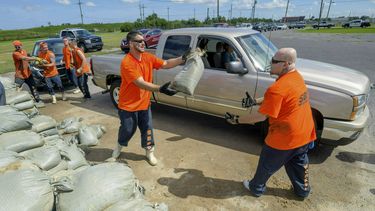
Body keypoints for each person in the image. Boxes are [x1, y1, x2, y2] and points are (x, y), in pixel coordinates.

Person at [225, 48, 316, 198]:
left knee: (267, 164)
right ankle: (303, 191)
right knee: (299, 164)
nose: (270, 63)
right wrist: (255, 101)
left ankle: (256, 188)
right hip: (304, 133)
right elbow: (282, 98)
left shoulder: (277, 88)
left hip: (284, 137)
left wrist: (236, 120)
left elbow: (260, 117)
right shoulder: (296, 77)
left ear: (285, 64)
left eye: (274, 61)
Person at [107, 30, 191, 166]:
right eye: (139, 41)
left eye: (143, 41)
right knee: (127, 129)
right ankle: (118, 147)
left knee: (147, 129)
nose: (143, 43)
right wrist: (160, 89)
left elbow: (165, 64)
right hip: (128, 106)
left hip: (144, 104)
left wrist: (182, 58)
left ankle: (149, 153)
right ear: (130, 43)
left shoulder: (147, 57)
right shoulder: (127, 62)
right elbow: (140, 83)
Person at [11, 40, 44, 106]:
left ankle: (38, 100)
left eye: (18, 46)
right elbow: (24, 58)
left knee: (33, 87)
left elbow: (28, 59)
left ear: (21, 45)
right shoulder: (15, 54)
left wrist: (36, 60)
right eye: (16, 46)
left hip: (28, 74)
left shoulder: (24, 51)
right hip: (19, 75)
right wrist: (35, 58)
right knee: (17, 89)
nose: (17, 47)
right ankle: (16, 104)